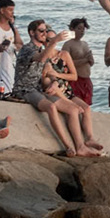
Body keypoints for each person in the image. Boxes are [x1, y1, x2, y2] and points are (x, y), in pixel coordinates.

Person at [12, 19, 101, 156]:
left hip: (39, 89)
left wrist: (54, 81)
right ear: (31, 33)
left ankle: (80, 147)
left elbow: (48, 71)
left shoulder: (43, 50)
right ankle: (67, 146)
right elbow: (41, 59)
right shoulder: (27, 49)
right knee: (51, 107)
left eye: (45, 31)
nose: (44, 34)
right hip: (25, 89)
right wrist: (55, 41)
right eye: (41, 31)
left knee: (72, 110)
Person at [64, 18, 96, 106]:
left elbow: (91, 63)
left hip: (86, 79)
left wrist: (90, 60)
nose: (82, 31)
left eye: (83, 29)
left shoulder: (85, 44)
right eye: (79, 28)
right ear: (72, 29)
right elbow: (65, 63)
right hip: (75, 80)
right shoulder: (68, 44)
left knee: (87, 105)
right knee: (77, 105)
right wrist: (84, 60)